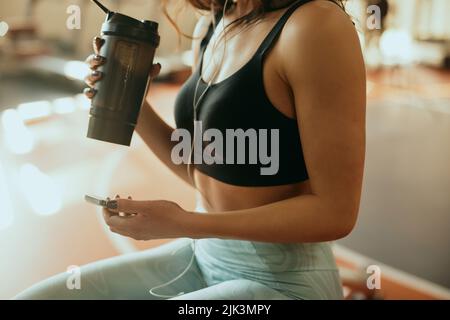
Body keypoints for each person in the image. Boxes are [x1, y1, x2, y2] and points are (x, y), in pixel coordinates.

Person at [15, 0, 366, 300]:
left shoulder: (316, 26)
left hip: (282, 283)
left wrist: (185, 222)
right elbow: (207, 167)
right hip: (203, 256)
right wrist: (134, 106)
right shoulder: (213, 25)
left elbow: (336, 213)